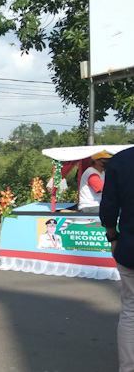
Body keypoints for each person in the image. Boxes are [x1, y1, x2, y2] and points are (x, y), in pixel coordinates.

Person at [100, 146, 134, 372]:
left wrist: (112, 237)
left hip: (130, 249)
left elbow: (109, 209)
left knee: (131, 311)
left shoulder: (122, 161)